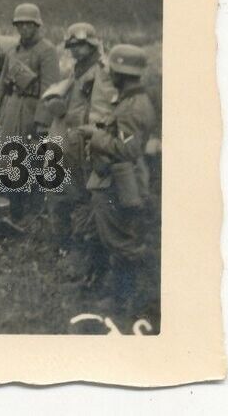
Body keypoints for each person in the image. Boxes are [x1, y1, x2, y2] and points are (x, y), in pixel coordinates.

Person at [77, 44, 157, 315]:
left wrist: (94, 135)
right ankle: (110, 289)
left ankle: (125, 299)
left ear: (120, 71)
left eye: (113, 68)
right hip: (112, 178)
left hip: (121, 182)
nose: (109, 72)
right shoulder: (127, 100)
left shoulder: (133, 106)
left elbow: (129, 149)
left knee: (123, 241)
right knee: (108, 235)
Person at [42, 22, 117, 250]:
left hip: (85, 142)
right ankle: (63, 243)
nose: (75, 49)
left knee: (83, 196)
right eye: (72, 45)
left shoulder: (101, 72)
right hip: (67, 139)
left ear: (92, 44)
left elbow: (102, 111)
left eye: (80, 45)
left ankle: (83, 247)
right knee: (60, 190)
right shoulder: (77, 70)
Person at [0, 3, 60, 218]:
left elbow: (50, 88)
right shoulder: (12, 51)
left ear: (37, 25)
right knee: (8, 156)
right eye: (19, 24)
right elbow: (2, 83)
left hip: (33, 108)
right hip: (12, 106)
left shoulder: (47, 51)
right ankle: (10, 209)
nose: (23, 28)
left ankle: (30, 212)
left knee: (31, 157)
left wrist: (42, 122)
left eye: (28, 24)